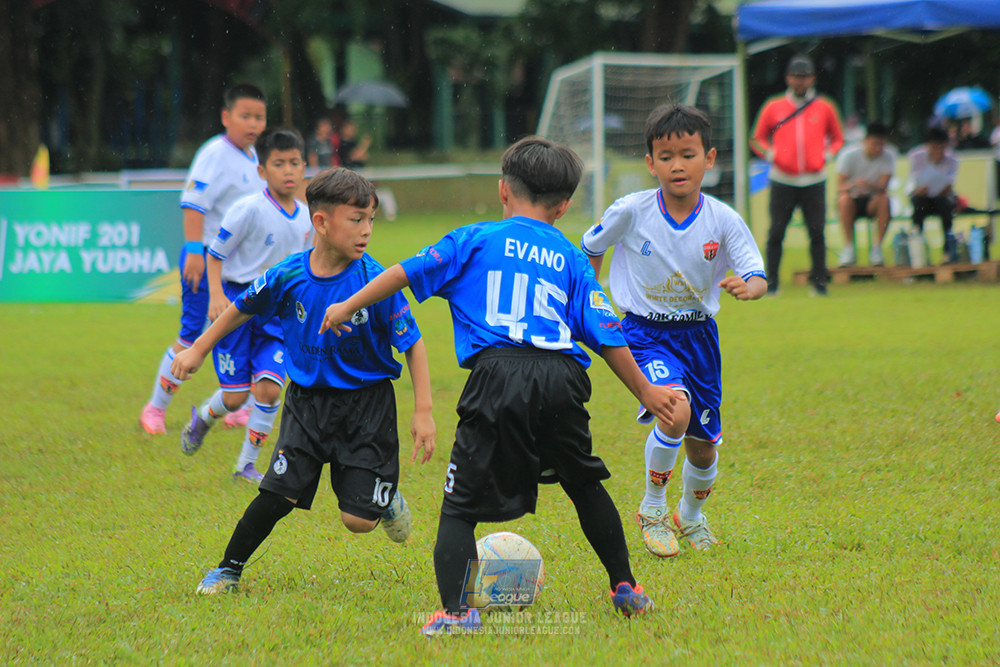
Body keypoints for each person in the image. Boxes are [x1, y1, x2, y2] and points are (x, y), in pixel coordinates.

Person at [319, 137, 681, 636]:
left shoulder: (474, 238)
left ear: (503, 190)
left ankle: (458, 613)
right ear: (564, 206)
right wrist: (645, 391)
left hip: (498, 375)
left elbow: (403, 273)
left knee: (459, 505)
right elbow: (606, 332)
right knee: (583, 484)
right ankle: (626, 587)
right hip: (562, 377)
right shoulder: (571, 256)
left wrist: (346, 305)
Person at [170, 167, 435, 593]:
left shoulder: (375, 281)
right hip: (307, 404)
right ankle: (227, 570)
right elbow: (241, 308)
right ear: (321, 223)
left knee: (357, 521)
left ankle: (382, 501)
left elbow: (414, 344)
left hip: (367, 407)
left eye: (370, 219)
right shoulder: (289, 274)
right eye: (356, 219)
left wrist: (423, 412)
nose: (367, 230)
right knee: (277, 494)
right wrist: (198, 349)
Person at [581, 104, 767, 559]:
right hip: (644, 333)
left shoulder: (723, 219)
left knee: (703, 450)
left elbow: (757, 274)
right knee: (674, 411)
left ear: (710, 158)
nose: (677, 165)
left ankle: (690, 515)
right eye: (666, 157)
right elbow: (590, 246)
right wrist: (591, 296)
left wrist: (750, 287)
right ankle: (652, 509)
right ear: (651, 163)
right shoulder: (631, 210)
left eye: (688, 154)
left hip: (700, 338)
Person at [179, 127, 314, 482]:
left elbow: (306, 268)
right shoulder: (247, 209)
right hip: (239, 305)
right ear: (261, 171)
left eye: (294, 163)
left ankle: (246, 466)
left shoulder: (307, 218)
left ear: (304, 167)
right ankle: (204, 417)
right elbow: (215, 254)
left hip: (277, 312)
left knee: (269, 388)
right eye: (279, 164)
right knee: (236, 397)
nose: (288, 171)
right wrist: (216, 295)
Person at [140, 83, 267, 435]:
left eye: (259, 117)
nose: (253, 124)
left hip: (242, 268)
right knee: (192, 334)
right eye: (245, 116)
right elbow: (194, 205)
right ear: (226, 117)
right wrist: (194, 250)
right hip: (208, 259)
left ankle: (240, 406)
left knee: (246, 332)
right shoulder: (214, 153)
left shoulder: (255, 157)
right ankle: (155, 409)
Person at [750, 54, 844, 296]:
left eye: (804, 77)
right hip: (782, 179)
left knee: (817, 232)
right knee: (776, 233)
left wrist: (827, 155)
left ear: (812, 79)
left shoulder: (825, 107)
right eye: (795, 77)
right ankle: (772, 284)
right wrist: (771, 154)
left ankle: (819, 284)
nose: (800, 81)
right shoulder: (773, 106)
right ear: (787, 78)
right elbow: (757, 138)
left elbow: (838, 138)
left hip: (814, 179)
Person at [836, 122, 896, 267]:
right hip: (852, 199)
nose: (878, 149)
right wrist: (855, 185)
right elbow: (840, 187)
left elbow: (883, 187)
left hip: (872, 200)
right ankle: (849, 247)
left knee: (884, 200)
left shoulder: (888, 156)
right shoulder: (848, 155)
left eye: (882, 145)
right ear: (865, 141)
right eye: (875, 144)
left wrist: (868, 185)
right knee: (844, 200)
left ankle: (877, 248)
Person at [907, 125, 959, 263]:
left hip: (941, 198)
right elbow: (914, 182)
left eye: (942, 147)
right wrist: (920, 189)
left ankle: (947, 250)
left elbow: (949, 184)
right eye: (935, 147)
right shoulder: (916, 156)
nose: (939, 151)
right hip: (922, 197)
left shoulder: (952, 159)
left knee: (946, 204)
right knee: (918, 204)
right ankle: (918, 249)